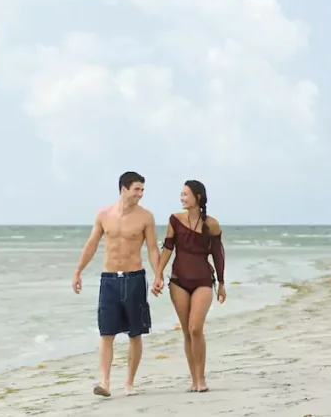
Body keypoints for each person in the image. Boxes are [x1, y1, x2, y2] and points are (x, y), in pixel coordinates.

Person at [72, 171, 162, 398]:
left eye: (142, 190)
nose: (140, 194)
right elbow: (92, 244)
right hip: (109, 279)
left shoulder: (145, 217)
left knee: (135, 333)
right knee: (107, 332)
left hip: (134, 278)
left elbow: (152, 248)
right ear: (124, 189)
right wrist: (78, 271)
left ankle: (129, 382)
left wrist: (159, 275)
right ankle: (105, 382)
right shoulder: (104, 215)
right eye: (137, 190)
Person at [151, 179, 226, 393]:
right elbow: (167, 248)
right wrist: (158, 275)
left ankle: (201, 379)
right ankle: (194, 380)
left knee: (196, 328)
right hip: (178, 281)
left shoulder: (211, 224)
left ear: (198, 197)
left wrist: (221, 282)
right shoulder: (175, 220)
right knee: (186, 331)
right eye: (181, 194)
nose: (181, 198)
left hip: (203, 280)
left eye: (185, 194)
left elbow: (218, 255)